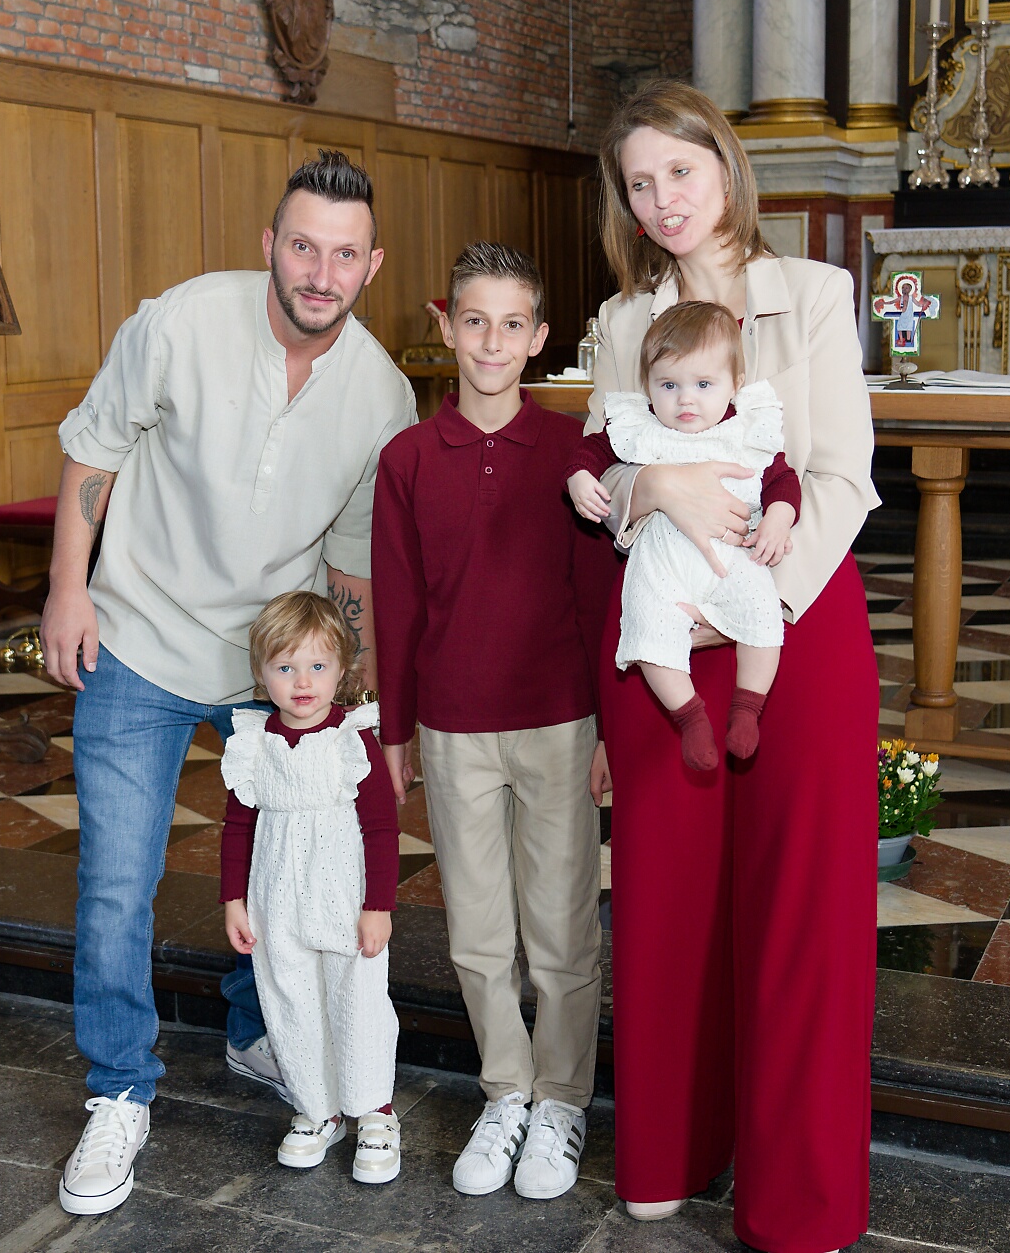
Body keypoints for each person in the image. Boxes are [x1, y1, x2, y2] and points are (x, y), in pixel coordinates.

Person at [44, 151, 415, 1217]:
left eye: (343, 255)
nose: (320, 272)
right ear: (269, 245)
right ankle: (119, 1089)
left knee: (296, 868)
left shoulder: (382, 394)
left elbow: (351, 566)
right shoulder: (181, 322)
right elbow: (93, 454)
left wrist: (355, 708)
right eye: (303, 246)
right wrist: (66, 592)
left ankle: (259, 1033)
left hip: (277, 666)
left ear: (371, 265)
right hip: (138, 638)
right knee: (117, 883)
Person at [586, 80, 881, 1253]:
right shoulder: (622, 320)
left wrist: (752, 604)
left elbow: (841, 474)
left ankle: (796, 1198)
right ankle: (669, 1149)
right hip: (663, 640)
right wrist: (647, 486)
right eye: (638, 182)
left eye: (679, 170)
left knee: (802, 914)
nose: (661, 199)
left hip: (789, 629)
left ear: (724, 165)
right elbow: (603, 481)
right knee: (665, 907)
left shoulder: (810, 295)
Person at [371, 242, 617, 1200]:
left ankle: (561, 1099)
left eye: (513, 324)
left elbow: (599, 598)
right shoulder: (406, 459)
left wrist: (610, 729)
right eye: (474, 321)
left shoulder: (572, 452)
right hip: (452, 726)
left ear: (541, 337)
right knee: (476, 930)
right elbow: (397, 604)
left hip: (559, 720)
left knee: (560, 925)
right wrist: (397, 730)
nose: (492, 342)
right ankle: (506, 1090)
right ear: (446, 325)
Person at [566, 300, 800, 770]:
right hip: (662, 566)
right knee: (648, 633)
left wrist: (778, 516)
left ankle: (747, 709)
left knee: (763, 619)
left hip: (733, 559)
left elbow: (782, 479)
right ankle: (690, 717)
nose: (685, 400)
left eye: (703, 385)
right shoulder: (642, 428)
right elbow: (591, 450)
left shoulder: (746, 431)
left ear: (735, 383)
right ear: (649, 385)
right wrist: (578, 476)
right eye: (669, 385)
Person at [220, 592, 403, 1183]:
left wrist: (378, 906)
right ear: (261, 671)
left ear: (341, 668)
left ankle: (374, 1110)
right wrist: (234, 901)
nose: (303, 682)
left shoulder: (352, 740)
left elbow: (381, 829)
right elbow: (237, 827)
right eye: (285, 667)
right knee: (290, 1001)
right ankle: (316, 1108)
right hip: (275, 902)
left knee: (358, 1002)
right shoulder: (254, 742)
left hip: (345, 900)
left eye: (318, 666)